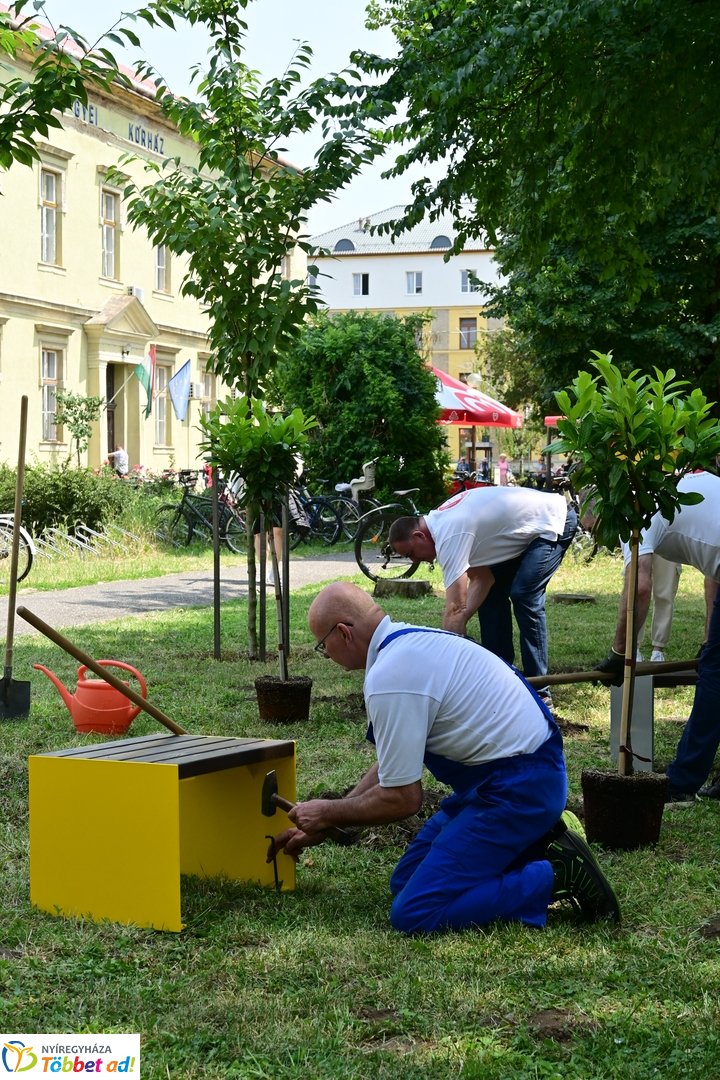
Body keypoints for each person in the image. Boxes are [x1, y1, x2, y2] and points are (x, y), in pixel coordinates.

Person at [268, 582, 619, 933]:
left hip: (518, 790)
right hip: (507, 780)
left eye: (321, 645)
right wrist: (330, 822)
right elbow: (394, 764)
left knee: (415, 912)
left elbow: (402, 798)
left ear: (343, 633)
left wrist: (327, 811)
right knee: (404, 883)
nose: (325, 654)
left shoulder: (390, 677)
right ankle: (540, 842)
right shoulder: (405, 643)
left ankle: (555, 875)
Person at [594, 470, 720, 802]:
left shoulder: (633, 512)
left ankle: (681, 782)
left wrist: (619, 651)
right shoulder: (671, 485)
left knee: (715, 678)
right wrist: (710, 639)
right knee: (715, 665)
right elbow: (714, 574)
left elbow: (639, 586)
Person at [387, 486, 577, 692]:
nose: (414, 560)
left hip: (554, 520)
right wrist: (462, 618)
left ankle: (540, 688)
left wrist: (445, 668)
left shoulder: (449, 532)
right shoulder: (442, 525)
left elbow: (455, 608)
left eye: (411, 553)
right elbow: (482, 578)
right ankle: (499, 679)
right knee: (491, 598)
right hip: (525, 532)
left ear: (418, 536)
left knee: (524, 595)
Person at [635, 554, 682, 663]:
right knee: (636, 590)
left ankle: (658, 650)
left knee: (665, 592)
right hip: (641, 538)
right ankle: (633, 648)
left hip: (668, 540)